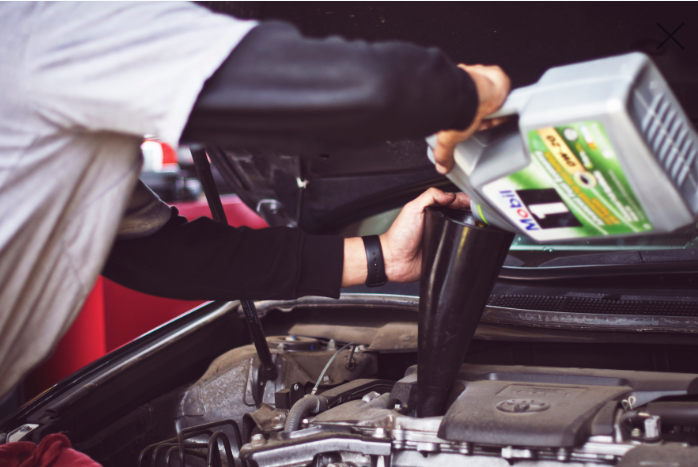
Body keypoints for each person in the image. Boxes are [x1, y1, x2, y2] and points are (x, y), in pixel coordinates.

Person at [0, 2, 510, 398]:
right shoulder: (47, 24)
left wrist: (381, 257)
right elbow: (336, 85)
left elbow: (154, 255)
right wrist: (469, 90)